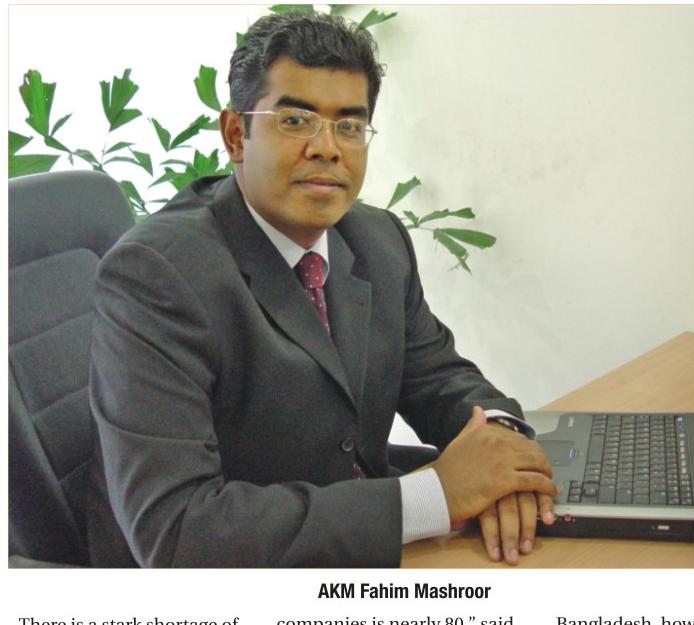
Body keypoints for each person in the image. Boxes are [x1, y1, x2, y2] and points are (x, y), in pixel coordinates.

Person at [86, 11, 557, 568]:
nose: (327, 148)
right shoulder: (156, 275)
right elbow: (178, 530)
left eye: (349, 126)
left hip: (358, 546)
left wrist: (503, 452)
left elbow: (437, 377)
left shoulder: (377, 240)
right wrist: (433, 497)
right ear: (236, 135)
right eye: (295, 120)